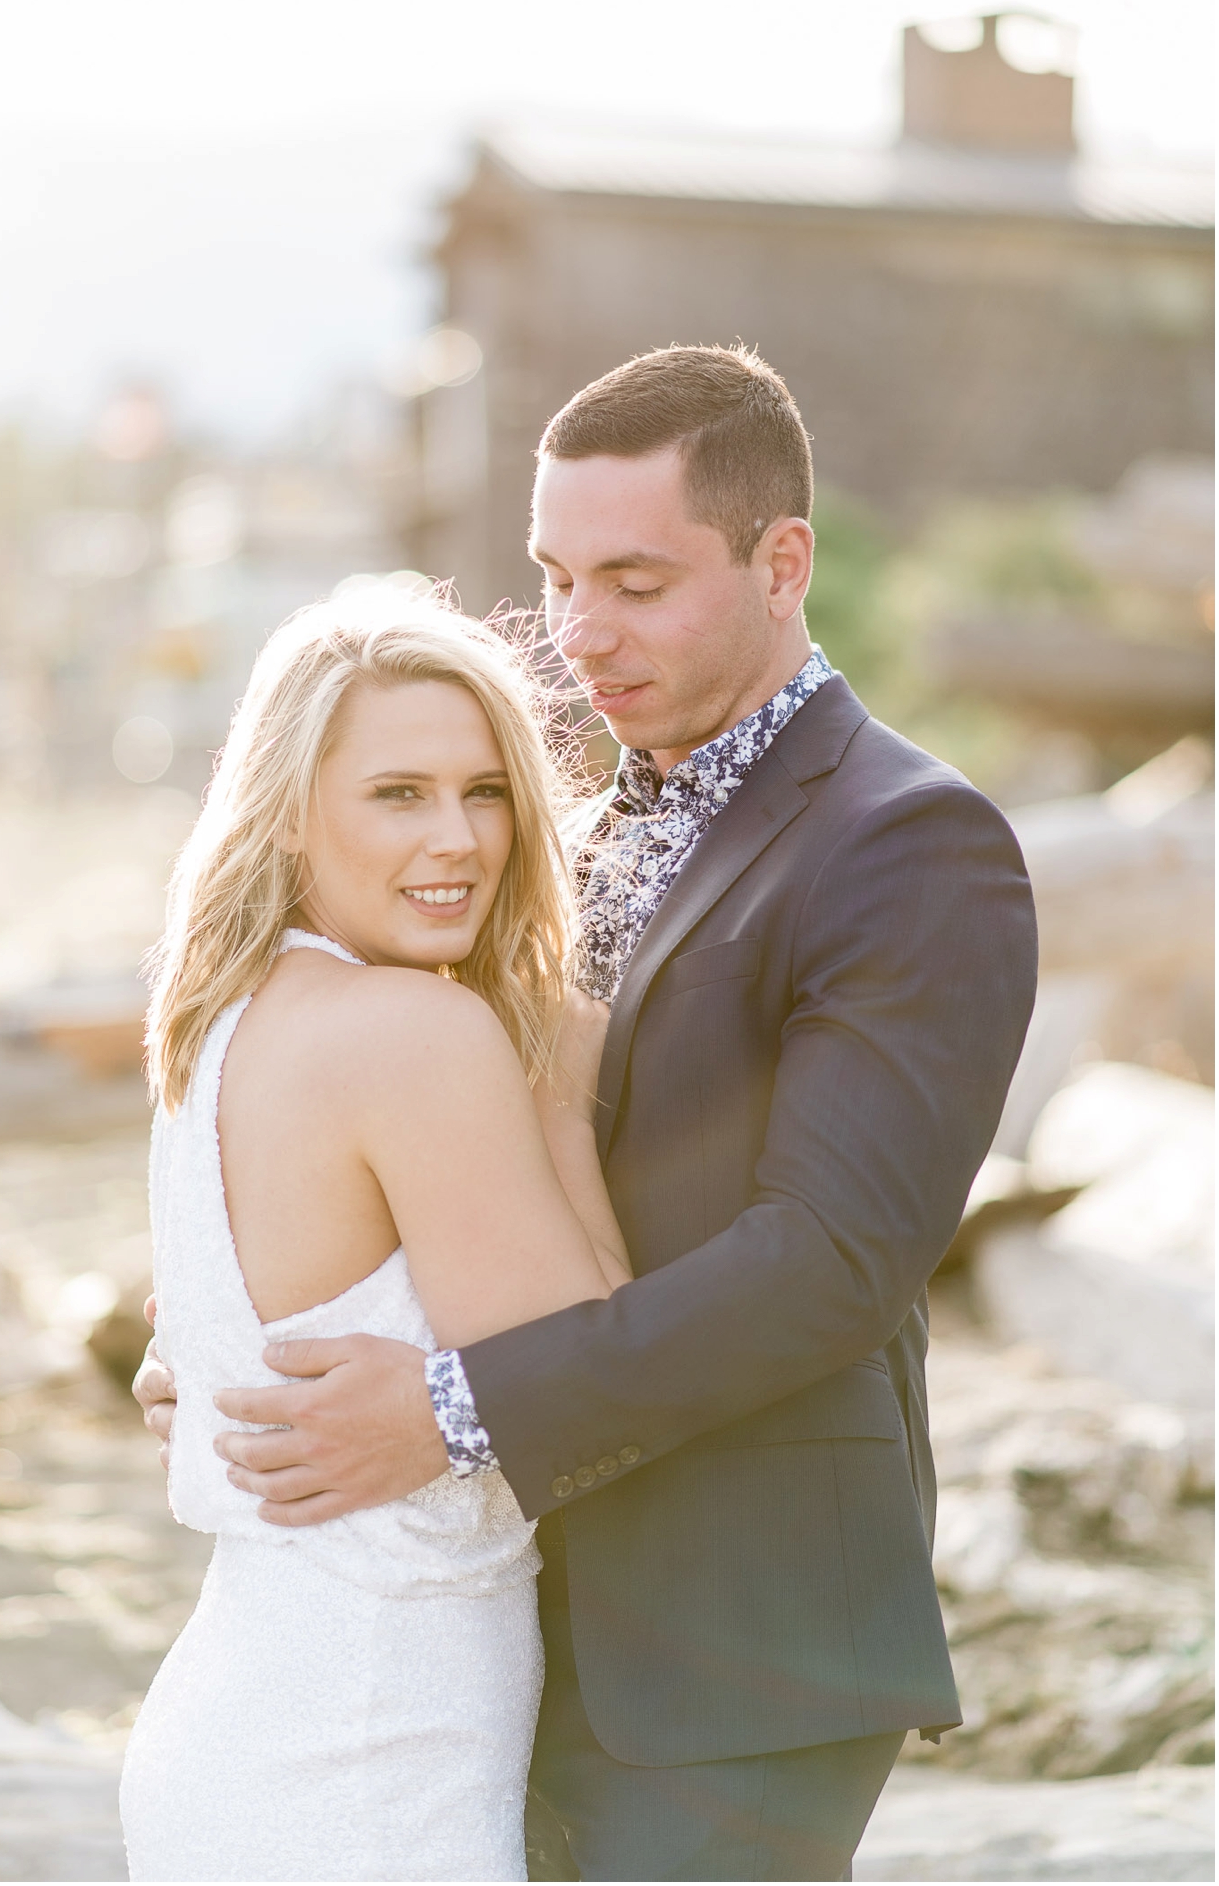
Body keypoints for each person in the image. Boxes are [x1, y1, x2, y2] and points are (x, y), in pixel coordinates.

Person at [137, 342, 1040, 1881]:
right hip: (508, 1625)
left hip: (733, 1637)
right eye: (556, 580)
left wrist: (446, 1405)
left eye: (633, 580)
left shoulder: (910, 846)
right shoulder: (570, 817)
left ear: (783, 562)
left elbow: (831, 1265)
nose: (579, 635)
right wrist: (239, 1312)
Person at [118, 592, 632, 1883]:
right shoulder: (417, 1036)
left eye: (485, 791)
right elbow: (600, 1398)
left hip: (241, 1740)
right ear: (292, 815)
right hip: (363, 1774)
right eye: (397, 794)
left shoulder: (216, 1026)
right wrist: (562, 1103)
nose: (456, 839)